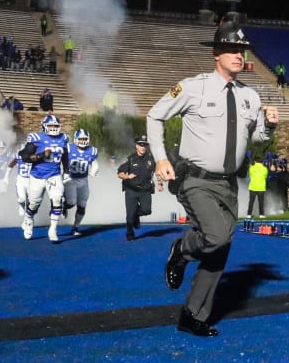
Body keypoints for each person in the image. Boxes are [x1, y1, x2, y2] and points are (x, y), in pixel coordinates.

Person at [146, 20, 279, 337]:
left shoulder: (251, 96)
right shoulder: (193, 87)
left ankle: (192, 315)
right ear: (216, 53)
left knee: (220, 250)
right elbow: (154, 116)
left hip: (229, 184)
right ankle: (181, 250)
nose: (239, 55)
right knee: (216, 236)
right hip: (196, 179)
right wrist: (161, 158)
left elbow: (257, 138)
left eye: (242, 50)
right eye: (232, 49)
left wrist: (269, 126)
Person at [18, 115, 69, 243]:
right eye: (51, 125)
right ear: (44, 126)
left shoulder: (64, 138)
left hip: (54, 174)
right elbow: (25, 157)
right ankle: (29, 220)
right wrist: (41, 155)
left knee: (57, 200)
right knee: (33, 204)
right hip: (37, 175)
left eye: (55, 126)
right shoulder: (37, 138)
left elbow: (65, 156)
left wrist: (66, 171)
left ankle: (53, 229)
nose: (53, 128)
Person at [116, 135, 161, 241]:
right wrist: (127, 176)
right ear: (136, 146)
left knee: (147, 210)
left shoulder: (151, 159)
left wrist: (160, 183)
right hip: (131, 189)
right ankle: (130, 233)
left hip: (145, 189)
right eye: (140, 145)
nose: (142, 147)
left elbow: (158, 172)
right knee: (130, 215)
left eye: (144, 145)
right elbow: (119, 173)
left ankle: (137, 215)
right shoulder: (131, 159)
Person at [63, 129, 99, 236]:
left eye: (85, 139)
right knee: (71, 202)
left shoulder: (92, 150)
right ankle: (62, 206)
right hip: (70, 179)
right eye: (81, 139)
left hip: (83, 180)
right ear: (75, 139)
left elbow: (95, 163)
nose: (83, 141)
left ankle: (75, 227)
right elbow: (61, 159)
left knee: (82, 205)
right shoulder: (69, 148)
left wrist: (94, 170)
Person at [4, 144, 32, 228]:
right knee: (22, 199)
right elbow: (10, 166)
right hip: (21, 180)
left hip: (32, 181)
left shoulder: (34, 157)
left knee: (30, 203)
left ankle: (26, 221)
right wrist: (6, 178)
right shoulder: (19, 156)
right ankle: (21, 205)